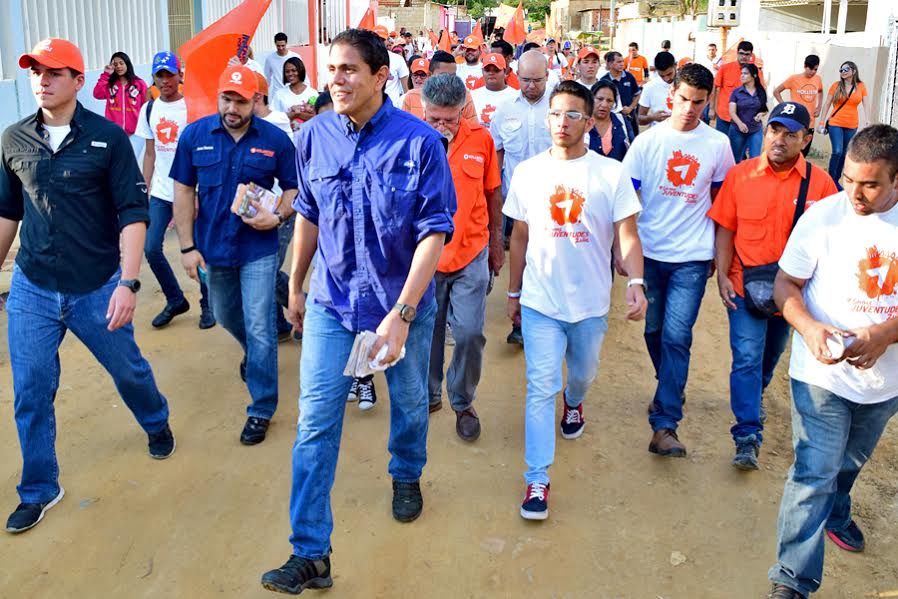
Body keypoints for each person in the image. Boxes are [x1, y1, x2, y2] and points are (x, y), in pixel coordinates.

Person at [259, 29, 456, 594]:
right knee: (315, 423)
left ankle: (405, 472)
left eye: (349, 69)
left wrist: (403, 312)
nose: (336, 79)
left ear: (379, 76)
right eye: (332, 69)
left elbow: (433, 232)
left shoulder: (420, 143)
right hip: (332, 302)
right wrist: (295, 283)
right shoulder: (313, 135)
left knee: (412, 400)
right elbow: (309, 214)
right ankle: (310, 553)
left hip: (401, 304)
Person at [1, 38, 175, 534]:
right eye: (35, 71)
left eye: (54, 72)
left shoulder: (107, 139)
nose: (42, 79)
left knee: (129, 371)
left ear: (79, 81)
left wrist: (128, 281)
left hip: (96, 285)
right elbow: (8, 212)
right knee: (31, 389)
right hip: (34, 286)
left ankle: (156, 419)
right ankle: (39, 488)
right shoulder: (15, 139)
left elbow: (133, 212)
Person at [505, 80, 648, 520]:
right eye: (555, 114)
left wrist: (636, 281)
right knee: (539, 386)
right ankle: (537, 479)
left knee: (582, 373)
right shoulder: (528, 172)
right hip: (540, 302)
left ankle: (576, 400)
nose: (562, 123)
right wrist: (513, 292)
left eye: (572, 115)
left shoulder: (610, 173)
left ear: (590, 120)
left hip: (589, 303)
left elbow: (627, 233)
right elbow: (520, 236)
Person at [766, 124, 898, 599]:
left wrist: (884, 335)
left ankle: (839, 506)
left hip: (884, 386)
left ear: (896, 180)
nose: (855, 194)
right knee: (813, 472)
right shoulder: (822, 217)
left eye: (870, 184)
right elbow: (786, 285)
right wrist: (809, 327)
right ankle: (792, 582)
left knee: (848, 464)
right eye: (848, 179)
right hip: (819, 375)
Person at [170, 65, 298, 446]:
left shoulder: (276, 139)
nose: (232, 107)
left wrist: (276, 215)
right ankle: (254, 356)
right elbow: (182, 192)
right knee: (226, 315)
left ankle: (261, 406)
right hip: (212, 249)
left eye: (241, 101)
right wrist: (187, 248)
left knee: (260, 324)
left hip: (258, 248)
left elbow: (294, 190)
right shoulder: (195, 136)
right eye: (226, 98)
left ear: (256, 100)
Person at [708, 102, 837, 471]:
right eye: (774, 130)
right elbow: (726, 228)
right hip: (743, 285)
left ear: (806, 140)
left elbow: (831, 240)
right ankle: (747, 434)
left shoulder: (822, 185)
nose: (779, 139)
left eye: (790, 133)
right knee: (747, 357)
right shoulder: (741, 175)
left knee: (770, 357)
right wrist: (721, 274)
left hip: (793, 295)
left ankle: (755, 396)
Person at [622, 63, 735, 457]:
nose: (689, 109)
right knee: (654, 333)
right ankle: (670, 385)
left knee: (676, 336)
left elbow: (724, 207)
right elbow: (625, 205)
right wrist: (624, 252)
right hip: (650, 255)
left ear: (708, 102)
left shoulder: (718, 145)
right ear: (673, 95)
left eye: (699, 103)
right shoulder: (647, 144)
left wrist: (720, 261)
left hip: (692, 257)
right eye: (684, 99)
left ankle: (665, 424)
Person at [422, 74, 503, 435]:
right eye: (433, 119)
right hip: (425, 256)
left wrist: (497, 243)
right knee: (429, 332)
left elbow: (492, 195)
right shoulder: (413, 139)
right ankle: (428, 393)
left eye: (449, 119)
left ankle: (462, 399)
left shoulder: (481, 140)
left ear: (463, 111)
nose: (441, 126)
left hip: (472, 251)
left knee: (469, 332)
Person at [136, 51, 215, 330]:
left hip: (190, 190)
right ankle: (175, 299)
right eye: (160, 75)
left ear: (180, 75)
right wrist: (142, 189)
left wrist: (197, 192)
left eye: (170, 74)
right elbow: (149, 153)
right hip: (160, 190)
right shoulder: (149, 109)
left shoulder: (193, 108)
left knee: (198, 248)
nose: (166, 80)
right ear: (154, 78)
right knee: (150, 247)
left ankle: (208, 304)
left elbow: (202, 153)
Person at [490, 50, 554, 346]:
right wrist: (495, 194)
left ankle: (549, 319)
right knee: (522, 259)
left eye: (537, 80)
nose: (531, 86)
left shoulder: (558, 107)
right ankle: (520, 323)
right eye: (525, 80)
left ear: (547, 75)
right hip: (518, 202)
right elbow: (497, 154)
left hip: (554, 200)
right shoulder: (505, 109)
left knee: (548, 261)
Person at [252, 72, 299, 342]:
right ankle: (279, 324)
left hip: (281, 207)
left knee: (267, 270)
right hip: (255, 208)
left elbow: (288, 166)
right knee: (262, 267)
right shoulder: (242, 126)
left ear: (257, 97)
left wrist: (284, 208)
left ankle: (299, 307)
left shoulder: (277, 122)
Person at [818, 61, 870, 188]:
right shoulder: (836, 85)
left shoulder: (861, 86)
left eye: (846, 69)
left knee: (845, 152)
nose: (843, 72)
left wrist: (868, 120)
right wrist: (821, 122)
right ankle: (830, 179)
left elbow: (866, 104)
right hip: (835, 122)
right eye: (841, 70)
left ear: (853, 71)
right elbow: (827, 104)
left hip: (852, 124)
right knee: (837, 151)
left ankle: (835, 181)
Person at [401, 52, 479, 126]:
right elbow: (404, 129)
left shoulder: (465, 95)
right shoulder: (411, 96)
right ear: (430, 75)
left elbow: (473, 129)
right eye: (443, 76)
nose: (448, 81)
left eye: (452, 76)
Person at [773, 55, 823, 157]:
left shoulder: (818, 79)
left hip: (811, 122)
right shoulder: (794, 79)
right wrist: (784, 106)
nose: (813, 72)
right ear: (805, 66)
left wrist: (819, 107)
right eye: (811, 68)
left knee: (804, 153)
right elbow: (776, 91)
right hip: (797, 121)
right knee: (793, 151)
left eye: (816, 69)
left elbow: (821, 91)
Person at [710, 40, 761, 136]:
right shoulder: (725, 68)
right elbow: (714, 87)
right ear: (737, 53)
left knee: (738, 150)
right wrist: (712, 109)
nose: (744, 57)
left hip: (744, 119)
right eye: (741, 53)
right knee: (722, 145)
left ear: (750, 55)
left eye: (747, 54)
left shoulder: (756, 72)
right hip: (724, 116)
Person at [92, 51, 148, 137]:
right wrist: (106, 74)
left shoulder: (139, 84)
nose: (118, 66)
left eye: (121, 63)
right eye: (115, 64)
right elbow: (97, 94)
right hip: (114, 132)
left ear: (127, 64)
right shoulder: (110, 84)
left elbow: (146, 106)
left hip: (135, 133)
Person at [727, 63, 769, 163]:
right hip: (737, 130)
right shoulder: (736, 92)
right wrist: (740, 124)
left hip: (755, 130)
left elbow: (764, 109)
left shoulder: (761, 91)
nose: (742, 75)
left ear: (754, 75)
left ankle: (751, 178)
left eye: (745, 73)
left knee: (755, 159)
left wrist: (762, 114)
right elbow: (732, 111)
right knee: (736, 159)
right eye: (741, 73)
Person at [588, 80, 634, 161]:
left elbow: (633, 152)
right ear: (591, 99)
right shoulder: (581, 123)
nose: (604, 105)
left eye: (609, 101)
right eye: (600, 99)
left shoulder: (622, 122)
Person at [470, 53, 517, 128]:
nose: (491, 73)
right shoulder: (472, 96)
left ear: (504, 71)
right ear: (482, 71)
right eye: (487, 70)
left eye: (496, 70)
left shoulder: (515, 96)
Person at [271, 57, 317, 131]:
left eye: (294, 70)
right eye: (287, 71)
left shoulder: (312, 93)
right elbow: (274, 118)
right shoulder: (279, 94)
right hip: (287, 138)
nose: (290, 74)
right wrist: (293, 114)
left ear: (300, 70)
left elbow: (317, 118)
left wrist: (298, 114)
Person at [601, 51, 641, 133]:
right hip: (612, 120)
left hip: (630, 118)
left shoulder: (629, 77)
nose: (622, 64)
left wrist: (630, 108)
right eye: (619, 62)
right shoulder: (604, 80)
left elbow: (637, 95)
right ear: (610, 64)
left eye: (622, 61)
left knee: (633, 140)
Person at [637, 51, 676, 128]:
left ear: (675, 66)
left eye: (669, 74)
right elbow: (640, 119)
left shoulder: (686, 83)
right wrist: (652, 117)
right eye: (662, 76)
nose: (666, 79)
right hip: (659, 135)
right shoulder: (649, 87)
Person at [374, 25, 410, 106]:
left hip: (392, 109)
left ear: (387, 40)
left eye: (382, 39)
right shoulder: (365, 60)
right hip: (370, 111)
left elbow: (406, 90)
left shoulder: (398, 59)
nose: (379, 42)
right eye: (376, 39)